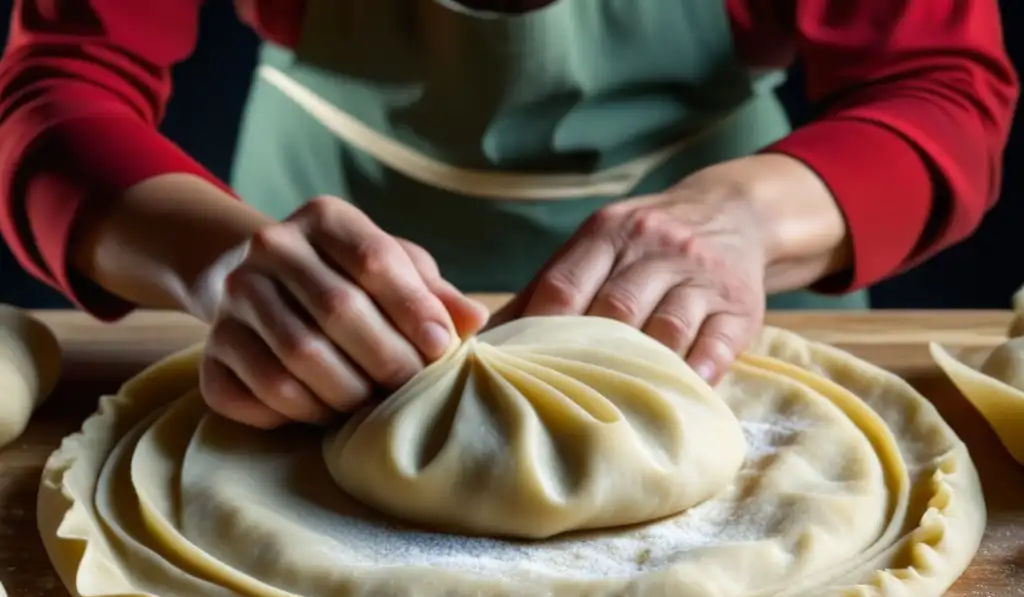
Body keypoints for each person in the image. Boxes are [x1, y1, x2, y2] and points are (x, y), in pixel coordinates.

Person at [0, 0, 1017, 429]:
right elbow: (60, 81)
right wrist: (218, 265)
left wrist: (742, 219)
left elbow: (939, 87)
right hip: (315, 262)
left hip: (730, 288)